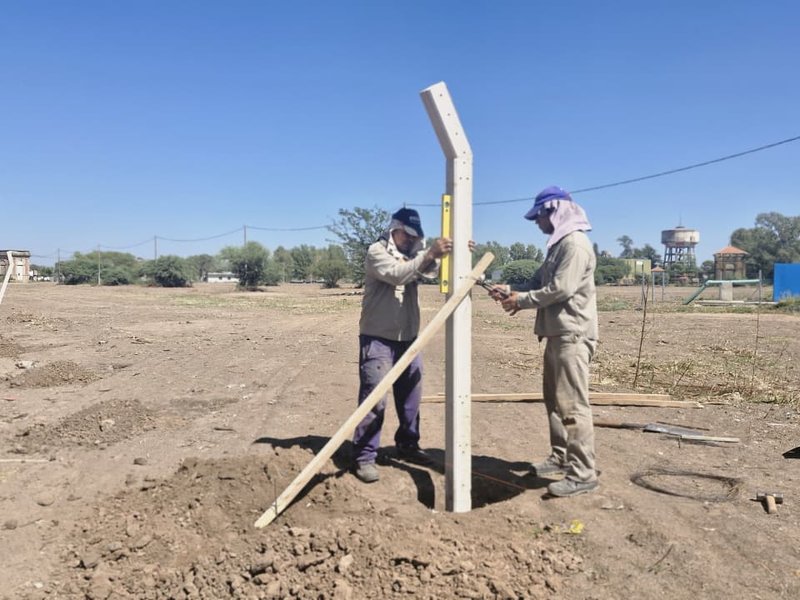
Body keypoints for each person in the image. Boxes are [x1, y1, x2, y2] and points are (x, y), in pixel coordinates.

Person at [490, 186, 599, 497]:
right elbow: (539, 282)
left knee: (573, 405)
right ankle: (561, 457)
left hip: (572, 334)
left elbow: (561, 289)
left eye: (538, 217)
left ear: (554, 212)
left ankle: (582, 473)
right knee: (554, 402)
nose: (536, 223)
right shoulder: (557, 246)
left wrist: (521, 301)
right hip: (556, 334)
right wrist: (509, 288)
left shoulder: (575, 245)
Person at [352, 207, 453, 483]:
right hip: (378, 339)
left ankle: (408, 445)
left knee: (411, 399)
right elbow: (398, 274)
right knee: (374, 399)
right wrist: (430, 253)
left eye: (413, 237)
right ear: (394, 229)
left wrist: (448, 253)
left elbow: (430, 271)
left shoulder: (412, 255)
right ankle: (364, 456)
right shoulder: (377, 252)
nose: (409, 241)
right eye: (406, 236)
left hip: (408, 340)